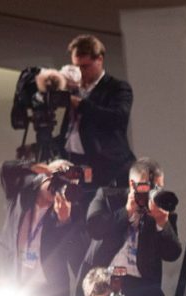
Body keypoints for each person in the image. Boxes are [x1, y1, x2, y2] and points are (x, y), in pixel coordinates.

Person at [0, 159, 84, 296]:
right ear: (47, 177)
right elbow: (5, 169)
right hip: (7, 284)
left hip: (46, 294)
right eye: (61, 185)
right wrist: (33, 166)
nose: (61, 193)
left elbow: (76, 254)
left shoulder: (69, 209)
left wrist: (64, 222)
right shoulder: (24, 187)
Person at [78, 157, 182, 296]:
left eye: (158, 187)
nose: (152, 193)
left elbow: (173, 254)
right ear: (131, 184)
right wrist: (126, 211)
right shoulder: (108, 197)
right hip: (103, 281)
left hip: (141, 287)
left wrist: (162, 223)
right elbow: (94, 227)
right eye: (146, 187)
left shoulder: (162, 210)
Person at [57, 35, 135, 189]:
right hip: (77, 169)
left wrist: (80, 104)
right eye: (76, 67)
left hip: (108, 171)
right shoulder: (75, 90)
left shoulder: (117, 87)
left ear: (99, 60)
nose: (80, 72)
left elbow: (118, 117)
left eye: (84, 66)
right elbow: (73, 135)